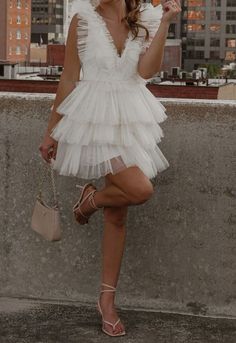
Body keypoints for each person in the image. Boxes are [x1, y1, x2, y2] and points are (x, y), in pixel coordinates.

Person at [39, 0, 181, 337]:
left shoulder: (146, 16)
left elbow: (147, 71)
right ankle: (89, 201)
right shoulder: (83, 20)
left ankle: (107, 301)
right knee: (139, 189)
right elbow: (69, 79)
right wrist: (51, 131)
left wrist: (166, 22)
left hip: (130, 120)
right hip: (93, 120)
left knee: (118, 216)